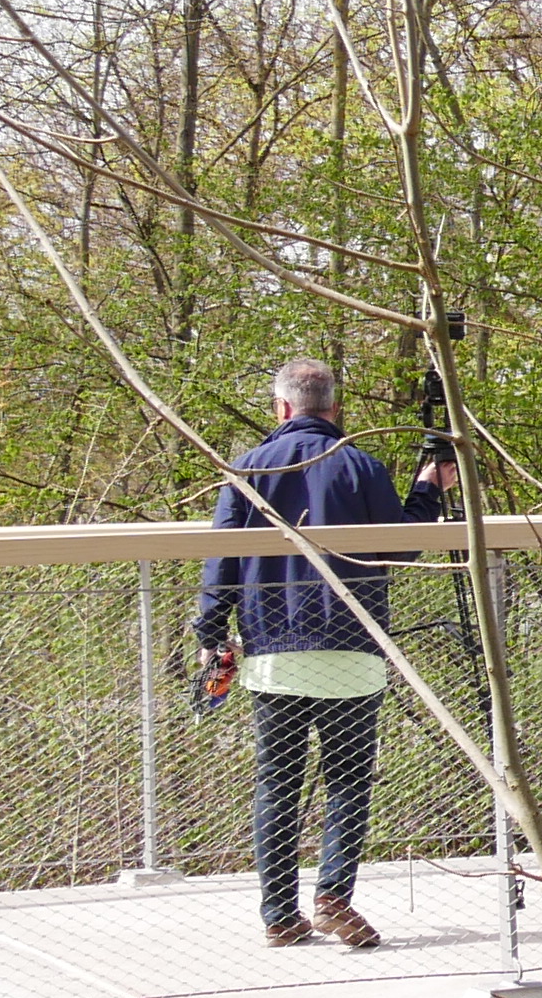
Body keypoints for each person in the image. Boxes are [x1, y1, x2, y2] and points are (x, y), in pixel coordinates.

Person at [195, 357, 456, 949]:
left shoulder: (247, 469)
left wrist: (212, 632)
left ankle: (280, 916)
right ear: (335, 409)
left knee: (277, 783)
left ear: (282, 409)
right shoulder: (361, 465)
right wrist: (427, 489)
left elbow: (221, 561)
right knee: (347, 779)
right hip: (353, 646)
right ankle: (334, 895)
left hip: (274, 652)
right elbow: (401, 548)